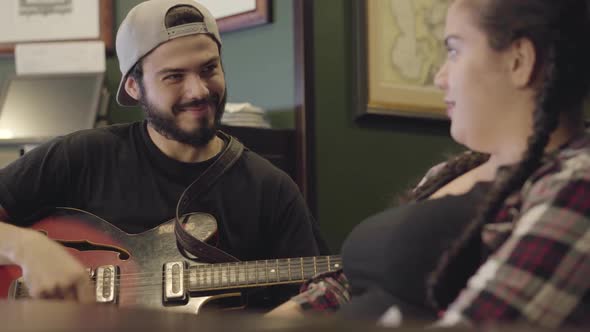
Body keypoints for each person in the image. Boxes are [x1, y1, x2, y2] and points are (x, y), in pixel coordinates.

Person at [268, 0, 590, 328]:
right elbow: (352, 284)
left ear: (519, 60)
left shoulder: (577, 183)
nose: (440, 77)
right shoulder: (450, 173)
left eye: (453, 50)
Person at [0, 0, 327, 308]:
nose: (198, 90)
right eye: (174, 76)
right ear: (133, 86)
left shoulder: (269, 189)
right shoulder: (81, 156)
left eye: (209, 69)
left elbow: (318, 294)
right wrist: (27, 247)